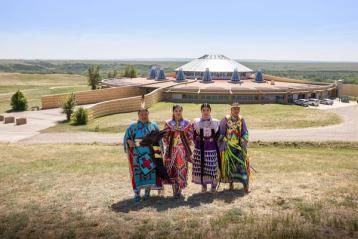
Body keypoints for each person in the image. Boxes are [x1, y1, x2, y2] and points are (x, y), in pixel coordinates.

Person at [123, 108, 163, 202]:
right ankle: (137, 194)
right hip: (137, 154)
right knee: (137, 173)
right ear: (138, 115)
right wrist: (129, 141)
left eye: (145, 114)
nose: (144, 116)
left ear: (148, 114)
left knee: (149, 172)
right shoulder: (132, 127)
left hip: (150, 154)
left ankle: (147, 193)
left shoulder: (153, 126)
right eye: (142, 115)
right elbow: (127, 137)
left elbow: (159, 139)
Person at [218, 102, 251, 193]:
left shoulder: (241, 120)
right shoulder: (226, 120)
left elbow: (245, 132)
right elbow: (220, 133)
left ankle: (246, 186)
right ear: (231, 110)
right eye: (234, 109)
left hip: (239, 147)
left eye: (238, 109)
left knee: (242, 166)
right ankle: (231, 184)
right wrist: (224, 140)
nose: (236, 111)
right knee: (229, 166)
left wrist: (244, 139)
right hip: (229, 148)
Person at [162, 104, 193, 199]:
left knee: (182, 169)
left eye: (180, 111)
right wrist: (169, 143)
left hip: (183, 150)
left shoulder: (187, 123)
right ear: (173, 112)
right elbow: (164, 136)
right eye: (176, 111)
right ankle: (174, 190)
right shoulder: (168, 123)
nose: (178, 113)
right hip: (171, 150)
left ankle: (180, 190)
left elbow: (191, 135)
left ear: (182, 111)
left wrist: (187, 141)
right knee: (172, 169)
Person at [192, 103, 221, 192]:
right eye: (204, 110)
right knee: (202, 166)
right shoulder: (196, 122)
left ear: (210, 111)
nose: (205, 112)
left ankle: (213, 185)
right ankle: (203, 185)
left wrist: (214, 139)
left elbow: (218, 135)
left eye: (207, 110)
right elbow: (193, 135)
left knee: (212, 166)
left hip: (211, 147)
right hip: (200, 147)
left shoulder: (215, 122)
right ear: (201, 111)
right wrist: (197, 140)